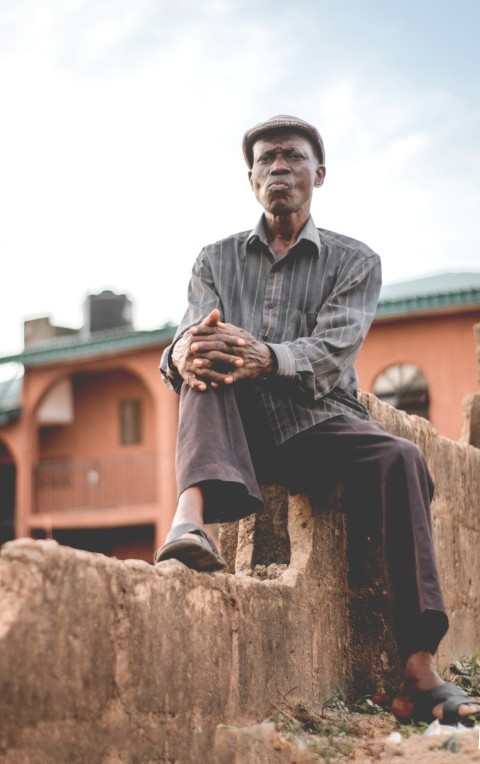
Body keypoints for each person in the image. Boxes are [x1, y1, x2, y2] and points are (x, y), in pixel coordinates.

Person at [155, 115, 480, 726]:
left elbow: (334, 354)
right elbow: (187, 336)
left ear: (318, 174)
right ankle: (190, 521)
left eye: (292, 156)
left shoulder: (356, 261)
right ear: (251, 179)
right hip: (235, 433)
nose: (279, 167)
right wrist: (179, 351)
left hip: (317, 425)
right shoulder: (214, 258)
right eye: (266, 160)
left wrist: (270, 356)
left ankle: (418, 673)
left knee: (403, 458)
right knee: (203, 352)